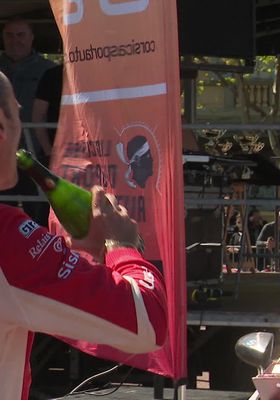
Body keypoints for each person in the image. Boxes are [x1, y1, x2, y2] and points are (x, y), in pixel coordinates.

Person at [0, 72, 167, 399]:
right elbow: (147, 322)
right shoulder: (8, 242)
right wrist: (122, 247)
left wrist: (74, 260)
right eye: (16, 114)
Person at [0, 18, 57, 226]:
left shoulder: (48, 70)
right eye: (9, 35)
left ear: (32, 37)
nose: (15, 40)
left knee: (38, 215)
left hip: (36, 157)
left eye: (20, 35)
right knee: (4, 216)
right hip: (2, 155)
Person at [32, 63, 63, 165]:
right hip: (57, 151)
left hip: (96, 152)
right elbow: (38, 116)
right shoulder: (52, 75)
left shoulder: (99, 73)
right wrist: (49, 153)